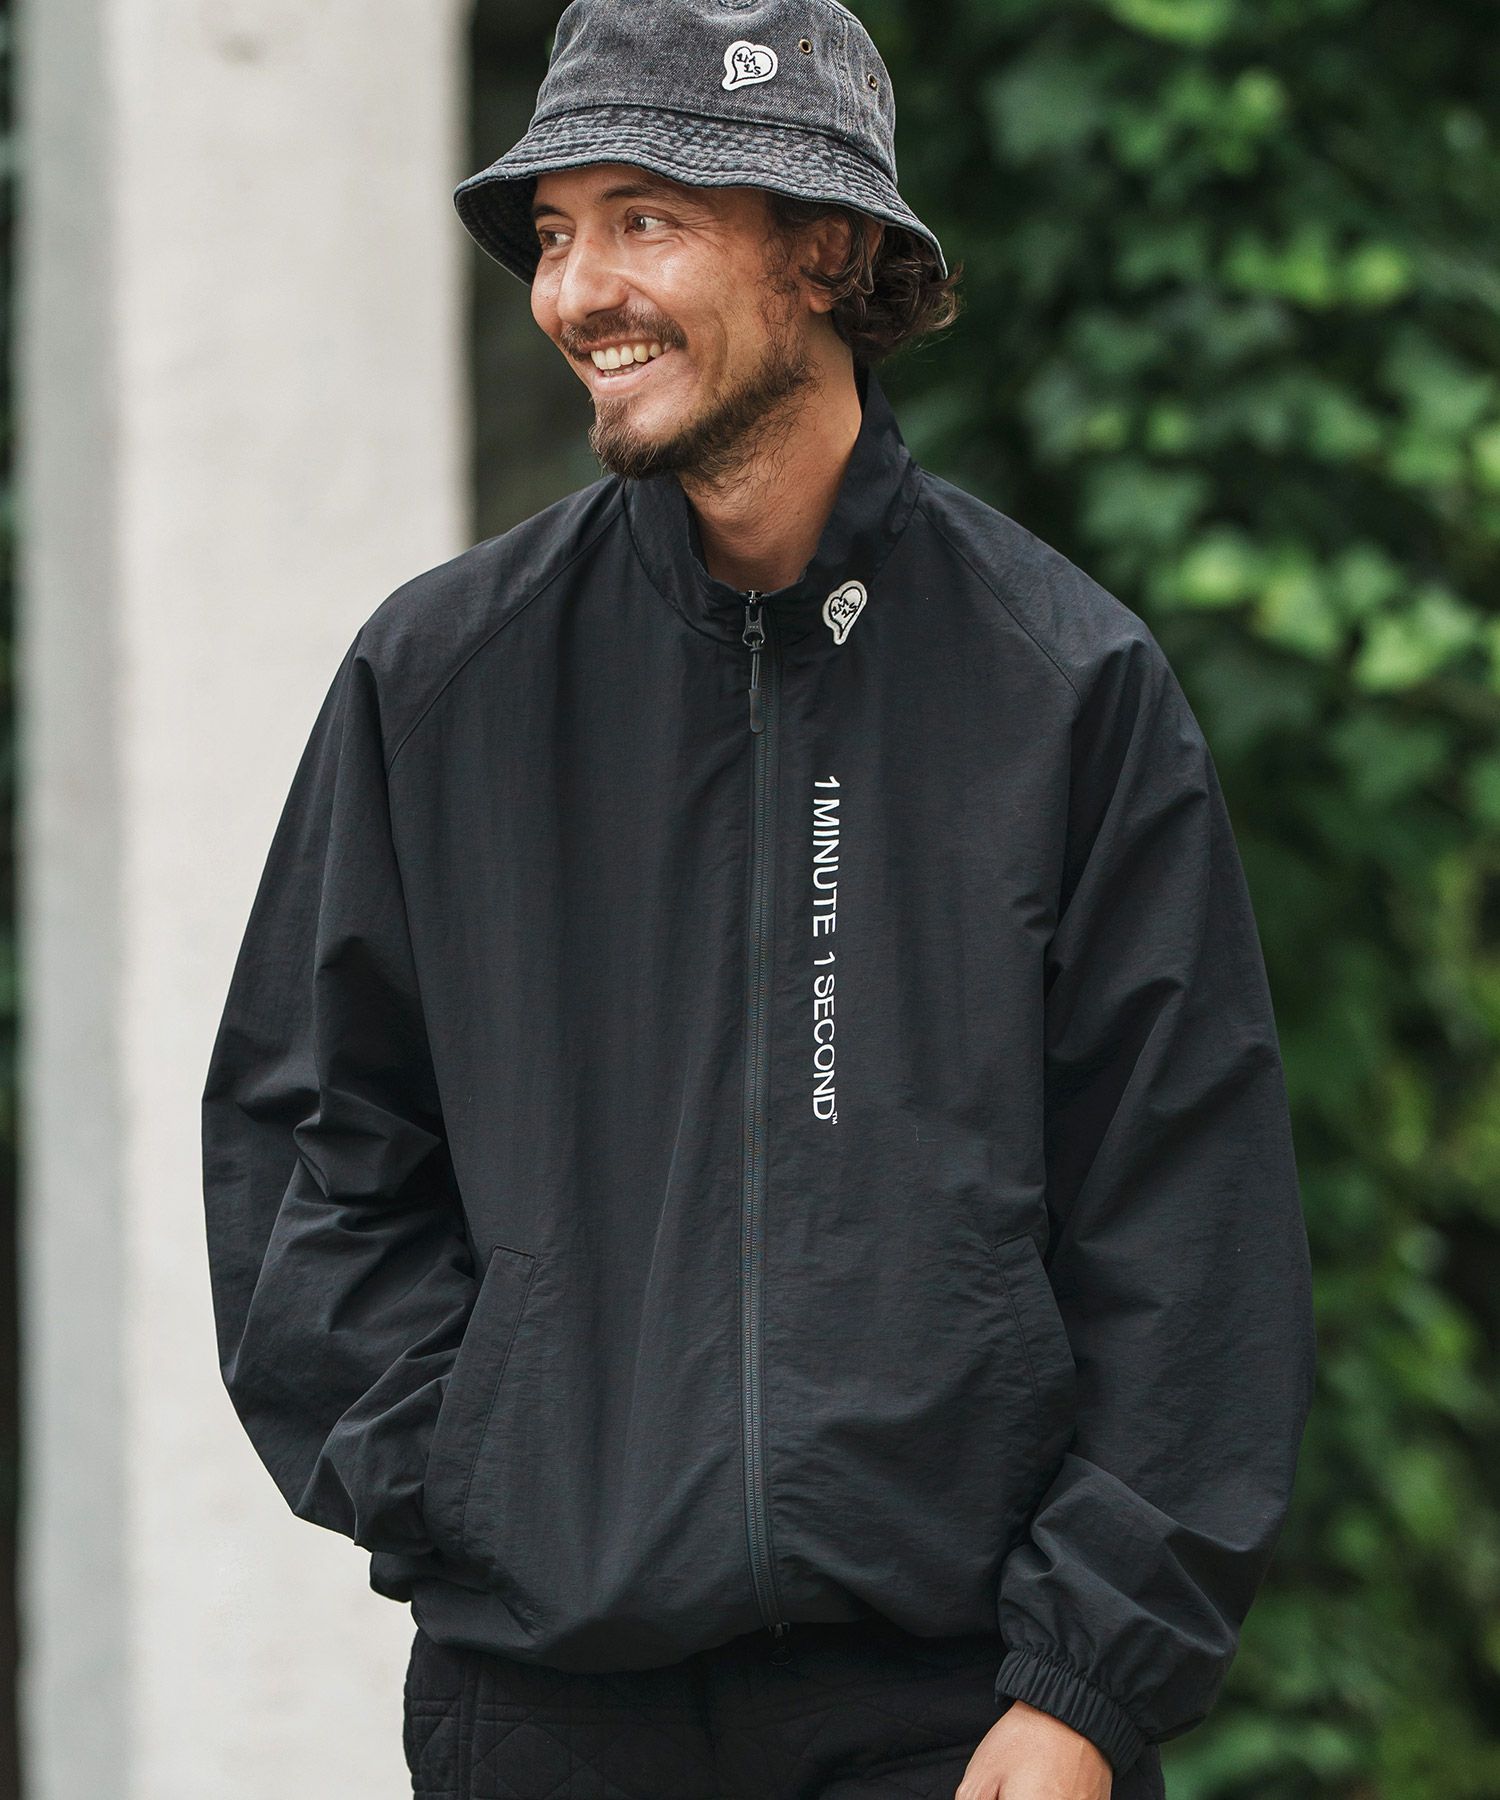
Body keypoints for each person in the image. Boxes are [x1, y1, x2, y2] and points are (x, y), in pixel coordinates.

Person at [199, 1, 1318, 1795]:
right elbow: (309, 1144)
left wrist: (1086, 1680)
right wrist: (470, 1478)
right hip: (546, 1708)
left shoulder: (1061, 686)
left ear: (828, 250)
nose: (576, 292)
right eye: (554, 232)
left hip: (959, 1719)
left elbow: (1192, 1228)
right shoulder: (446, 680)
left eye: (644, 220)